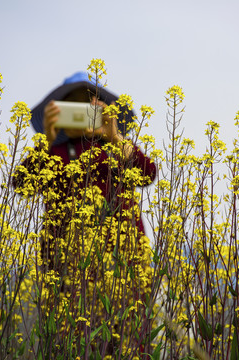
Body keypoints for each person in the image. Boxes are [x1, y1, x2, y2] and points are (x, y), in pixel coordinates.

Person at [12, 71, 156, 354]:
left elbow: (148, 173)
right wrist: (46, 140)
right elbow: (22, 184)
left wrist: (115, 136)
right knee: (70, 344)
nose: (80, 116)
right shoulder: (54, 152)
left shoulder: (115, 149)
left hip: (122, 265)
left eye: (86, 108)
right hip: (66, 269)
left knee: (128, 341)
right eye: (71, 108)